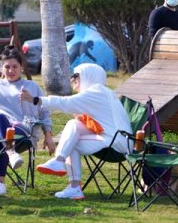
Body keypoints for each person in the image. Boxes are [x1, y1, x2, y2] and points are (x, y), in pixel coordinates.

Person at [20, 63, 131, 201]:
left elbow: (65, 103)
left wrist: (35, 100)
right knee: (74, 127)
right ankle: (69, 179)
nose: (72, 80)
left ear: (88, 76)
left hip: (116, 146)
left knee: (72, 141)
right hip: (117, 140)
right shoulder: (103, 92)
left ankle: (66, 173)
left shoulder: (95, 92)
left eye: (76, 76)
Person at [0, 46, 55, 197]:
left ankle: (0, 182)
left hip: (20, 133)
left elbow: (44, 112)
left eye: (15, 67)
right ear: (2, 68)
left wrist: (48, 136)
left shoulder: (31, 86)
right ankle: (10, 152)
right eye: (7, 67)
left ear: (22, 68)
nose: (11, 70)